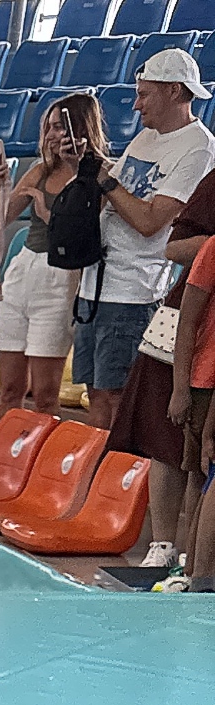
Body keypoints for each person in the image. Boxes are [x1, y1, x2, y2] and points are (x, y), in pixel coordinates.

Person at [73, 48, 213, 444]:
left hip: (133, 290)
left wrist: (106, 180)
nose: (136, 105)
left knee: (118, 400)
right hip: (97, 284)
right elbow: (112, 198)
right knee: (95, 394)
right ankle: (93, 474)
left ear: (174, 90)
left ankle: (112, 477)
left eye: (144, 94)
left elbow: (152, 223)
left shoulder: (198, 147)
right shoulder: (147, 137)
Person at [107, 162, 215, 574]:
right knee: (171, 438)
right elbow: (174, 247)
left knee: (202, 460)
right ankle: (166, 545)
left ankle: (196, 558)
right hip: (192, 329)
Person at [0, 94, 106, 418]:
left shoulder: (99, 172)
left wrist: (47, 213)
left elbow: (89, 233)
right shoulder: (40, 171)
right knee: (9, 389)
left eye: (58, 127)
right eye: (48, 127)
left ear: (79, 128)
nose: (51, 135)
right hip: (23, 272)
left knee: (44, 395)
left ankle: (40, 451)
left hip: (61, 279)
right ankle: (7, 448)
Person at [168, 224, 215, 587]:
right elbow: (187, 321)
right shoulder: (212, 249)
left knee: (206, 474)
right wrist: (179, 388)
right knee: (200, 473)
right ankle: (194, 570)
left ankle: (196, 568)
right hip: (203, 381)